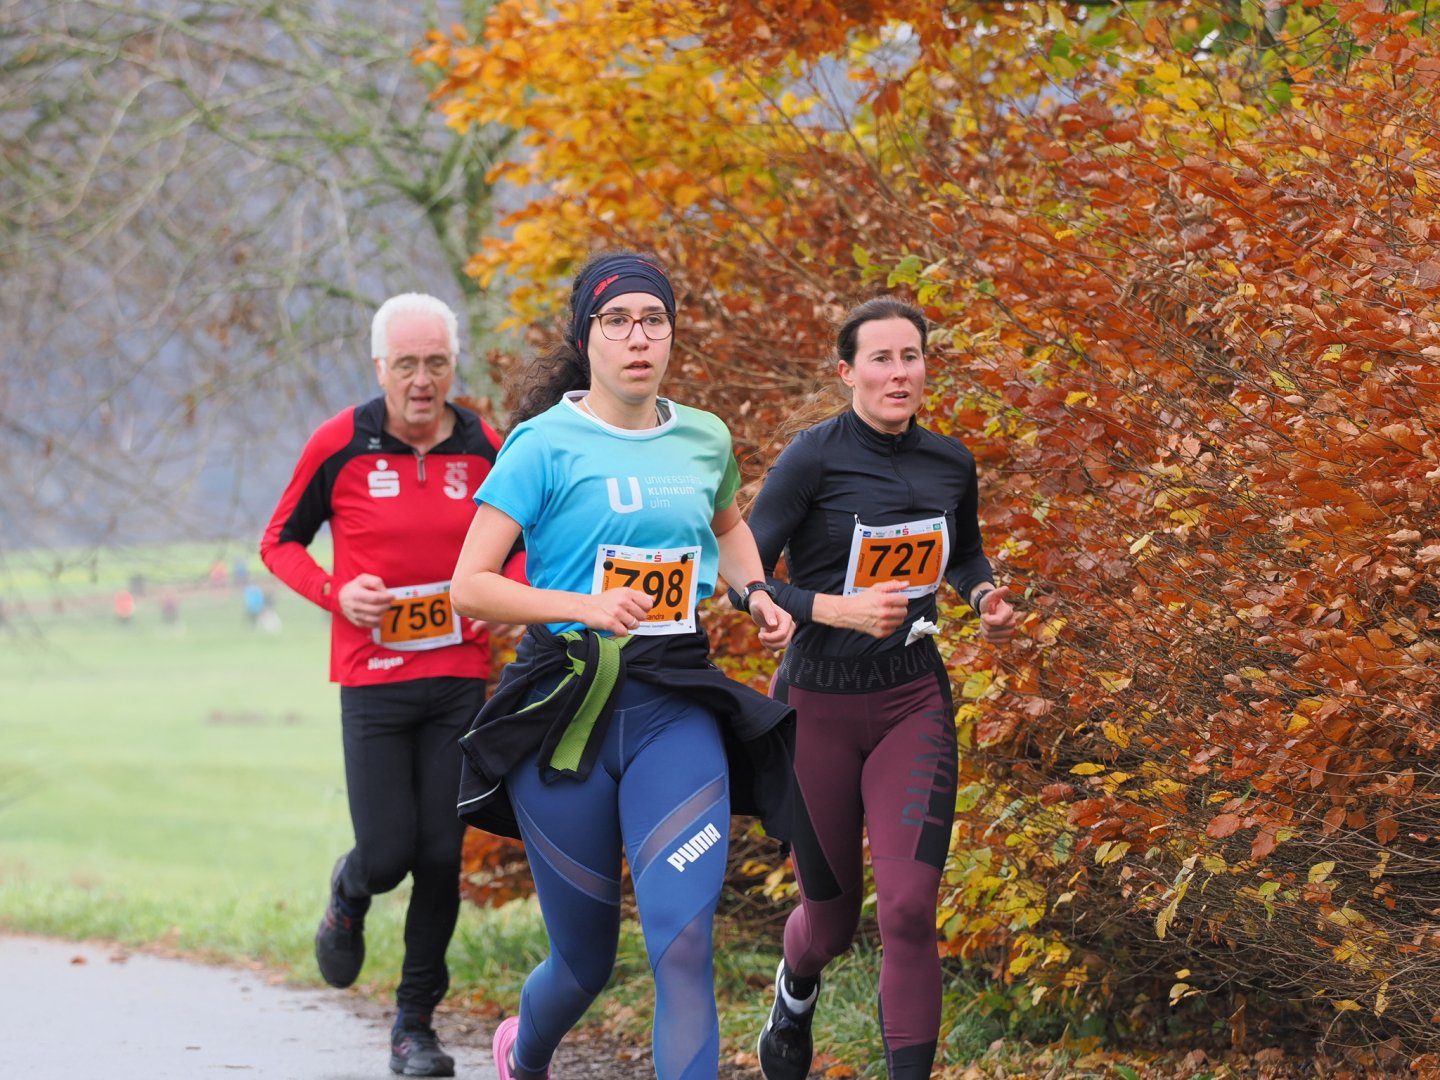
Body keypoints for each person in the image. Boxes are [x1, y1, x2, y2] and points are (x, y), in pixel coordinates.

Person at [448, 251, 797, 1080]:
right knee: (584, 963)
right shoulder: (542, 445)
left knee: (683, 943)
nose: (638, 337)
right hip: (565, 714)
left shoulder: (703, 437)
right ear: (587, 338)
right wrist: (584, 606)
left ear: (671, 334)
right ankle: (522, 1053)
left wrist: (755, 591)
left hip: (674, 708)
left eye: (654, 320)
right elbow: (470, 585)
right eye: (617, 321)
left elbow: (728, 526)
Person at [742, 298, 1019, 1080]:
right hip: (817, 710)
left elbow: (964, 554)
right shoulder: (811, 459)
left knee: (907, 909)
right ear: (847, 372)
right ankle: (795, 991)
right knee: (829, 925)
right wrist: (818, 608)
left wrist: (983, 596)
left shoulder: (950, 463)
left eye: (911, 357)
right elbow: (745, 573)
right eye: (881, 359)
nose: (900, 374)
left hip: (911, 701)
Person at [260, 292, 522, 1078]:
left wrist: (507, 594)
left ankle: (414, 1027)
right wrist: (335, 592)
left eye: (436, 363)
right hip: (372, 678)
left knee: (441, 856)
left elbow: (522, 543)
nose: (421, 380)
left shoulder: (483, 444)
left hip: (457, 674)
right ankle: (350, 891)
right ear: (380, 367)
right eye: (406, 364)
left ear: (453, 365)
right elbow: (279, 542)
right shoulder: (339, 443)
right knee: (386, 854)